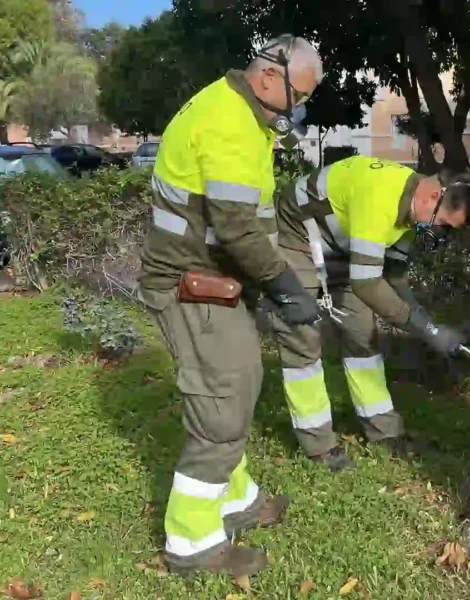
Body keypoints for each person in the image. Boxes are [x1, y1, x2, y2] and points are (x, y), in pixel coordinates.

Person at [137, 35, 324, 577]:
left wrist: (268, 284)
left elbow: (243, 219)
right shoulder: (230, 122)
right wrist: (286, 287)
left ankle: (236, 501)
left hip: (216, 280)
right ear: (268, 76)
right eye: (298, 96)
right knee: (221, 408)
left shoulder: (237, 111)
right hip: (190, 285)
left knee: (241, 383)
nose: (298, 108)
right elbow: (238, 229)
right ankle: (193, 543)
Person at [271, 155, 470, 471]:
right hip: (297, 236)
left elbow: (394, 276)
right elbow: (367, 284)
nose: (440, 233)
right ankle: (318, 446)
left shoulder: (411, 211)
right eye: (443, 225)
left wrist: (427, 322)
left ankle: (385, 432)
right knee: (303, 338)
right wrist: (426, 330)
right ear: (434, 196)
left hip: (340, 247)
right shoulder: (380, 196)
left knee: (363, 337)